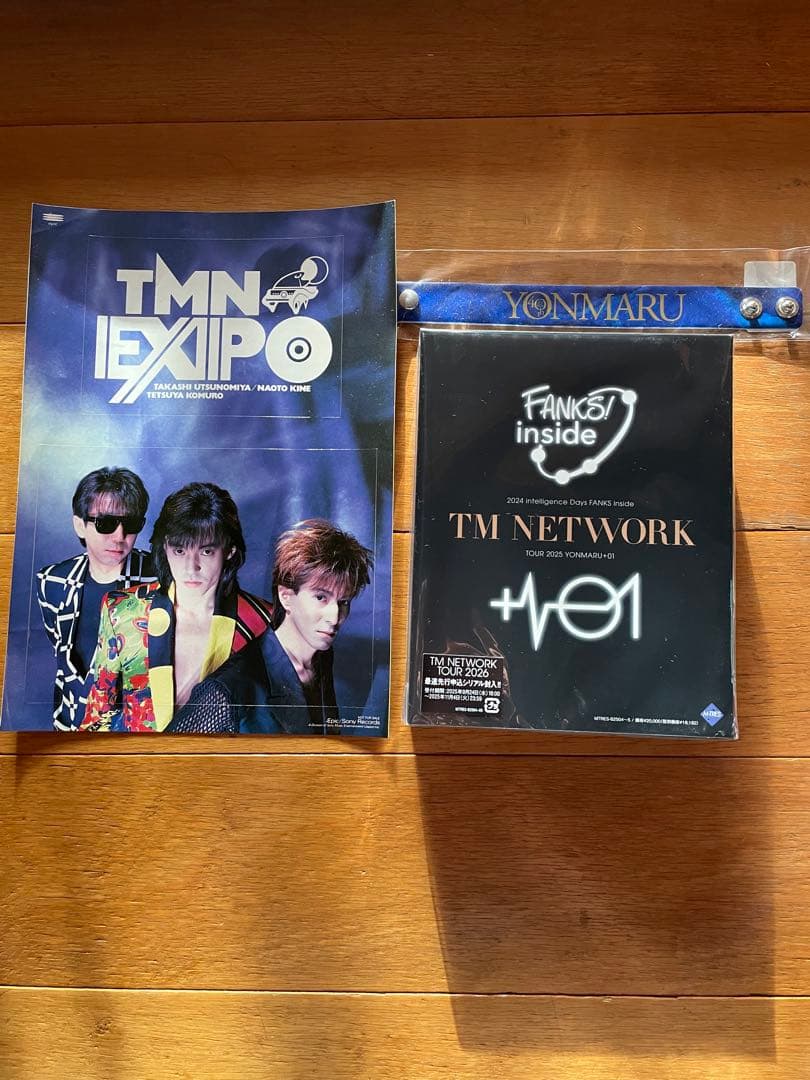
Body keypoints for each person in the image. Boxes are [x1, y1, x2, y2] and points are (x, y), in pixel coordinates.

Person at [80, 482, 272, 732]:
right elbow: (96, 718)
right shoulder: (124, 610)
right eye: (179, 550)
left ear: (229, 551)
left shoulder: (262, 620)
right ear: (165, 547)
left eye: (206, 551)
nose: (191, 567)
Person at [169, 518, 373, 735]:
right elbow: (169, 753)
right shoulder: (226, 691)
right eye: (321, 597)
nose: (335, 617)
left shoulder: (321, 658)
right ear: (286, 597)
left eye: (344, 602)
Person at [36, 466, 155, 731]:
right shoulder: (51, 581)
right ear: (80, 525)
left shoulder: (160, 578)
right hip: (67, 726)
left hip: (131, 730)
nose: (119, 536)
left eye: (131, 524)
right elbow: (62, 656)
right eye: (106, 523)